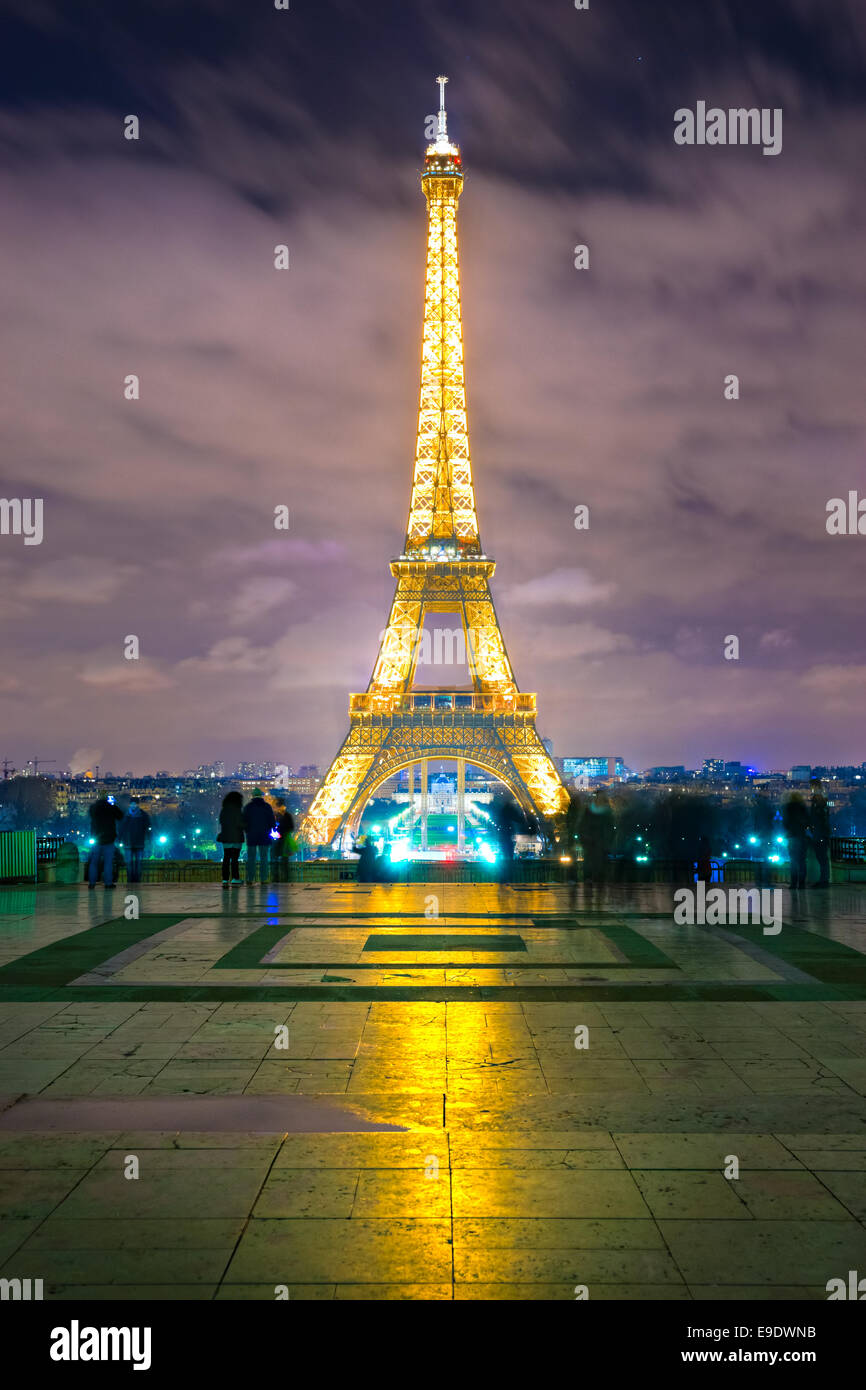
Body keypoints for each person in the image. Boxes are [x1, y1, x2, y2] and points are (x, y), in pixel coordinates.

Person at [87, 792, 124, 889]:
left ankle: (92, 883)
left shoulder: (94, 808)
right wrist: (112, 804)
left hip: (96, 839)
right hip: (108, 839)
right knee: (108, 863)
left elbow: (90, 815)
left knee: (94, 862)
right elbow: (120, 816)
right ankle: (108, 883)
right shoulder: (110, 807)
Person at [580, 789, 615, 885]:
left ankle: (592, 882)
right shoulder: (608, 812)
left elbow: (582, 826)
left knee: (595, 867)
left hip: (596, 844)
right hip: (595, 844)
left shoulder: (589, 810)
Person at [242, 788, 276, 885]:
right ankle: (264, 878)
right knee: (264, 858)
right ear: (261, 796)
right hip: (264, 835)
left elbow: (244, 821)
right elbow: (272, 822)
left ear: (252, 796)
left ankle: (250, 878)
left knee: (251, 858)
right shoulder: (267, 807)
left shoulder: (248, 807)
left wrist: (247, 830)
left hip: (251, 836)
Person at [120, 798, 151, 884]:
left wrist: (120, 839)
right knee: (135, 864)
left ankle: (132, 881)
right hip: (137, 842)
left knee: (133, 864)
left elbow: (122, 828)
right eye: (132, 804)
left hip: (130, 843)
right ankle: (134, 881)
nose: (133, 805)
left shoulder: (126, 815)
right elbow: (148, 828)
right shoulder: (143, 815)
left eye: (134, 804)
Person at [217, 791, 245, 888]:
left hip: (226, 837)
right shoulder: (237, 810)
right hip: (236, 837)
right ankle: (235, 878)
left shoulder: (224, 810)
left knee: (226, 858)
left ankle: (225, 879)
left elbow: (221, 821)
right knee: (234, 859)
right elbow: (241, 823)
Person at [782, 792, 809, 890]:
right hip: (802, 836)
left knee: (793, 861)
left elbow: (785, 822)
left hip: (792, 836)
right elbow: (807, 821)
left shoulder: (788, 808)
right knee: (802, 861)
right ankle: (801, 884)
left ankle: (793, 883)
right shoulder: (803, 808)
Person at [809, 779, 831, 888]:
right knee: (822, 858)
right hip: (821, 833)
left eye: (812, 787)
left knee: (822, 858)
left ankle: (824, 880)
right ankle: (824, 880)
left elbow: (819, 819)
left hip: (820, 834)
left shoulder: (818, 802)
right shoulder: (821, 801)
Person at [269, 799, 295, 883]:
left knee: (276, 861)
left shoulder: (275, 816)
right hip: (283, 841)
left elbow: (271, 827)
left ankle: (276, 878)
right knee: (284, 862)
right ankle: (284, 878)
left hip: (278, 841)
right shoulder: (287, 816)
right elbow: (291, 827)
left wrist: (278, 832)